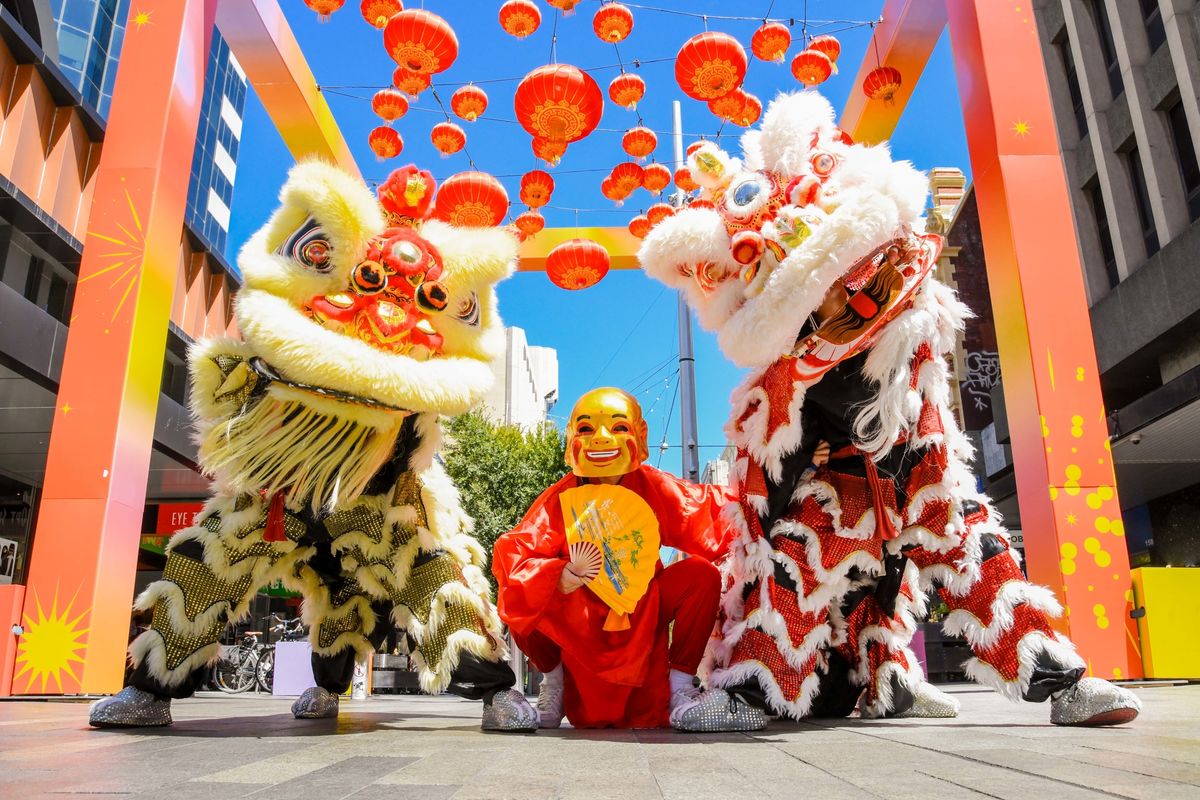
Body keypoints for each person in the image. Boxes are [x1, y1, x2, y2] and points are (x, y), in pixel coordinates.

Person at [638, 91, 1141, 727]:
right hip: (836, 490)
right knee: (795, 569)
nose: (846, 301)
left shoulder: (913, 320)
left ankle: (1059, 683)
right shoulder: (789, 372)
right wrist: (803, 452)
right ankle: (754, 694)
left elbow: (928, 400)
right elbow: (766, 472)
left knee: (977, 556)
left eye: (853, 284)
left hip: (918, 469)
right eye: (827, 297)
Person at [88, 162, 536, 731]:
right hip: (281, 492)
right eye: (371, 281)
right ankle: (148, 689)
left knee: (425, 578)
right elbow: (228, 389)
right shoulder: (294, 328)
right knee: (207, 561)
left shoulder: (423, 362)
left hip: (381, 501)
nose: (388, 302)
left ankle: (491, 693)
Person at [493, 388, 765, 731]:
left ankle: (680, 688)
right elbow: (516, 556)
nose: (602, 439)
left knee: (701, 574)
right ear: (571, 438)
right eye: (587, 429)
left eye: (618, 428)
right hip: (582, 620)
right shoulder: (559, 498)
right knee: (519, 595)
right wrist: (557, 575)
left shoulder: (652, 486)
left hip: (641, 607)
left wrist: (780, 467)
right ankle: (554, 683)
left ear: (640, 434)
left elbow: (714, 512)